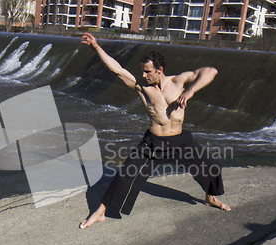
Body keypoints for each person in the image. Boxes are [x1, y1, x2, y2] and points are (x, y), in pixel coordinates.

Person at [79, 33, 230, 229]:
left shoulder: (179, 81)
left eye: (147, 71)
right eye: (142, 71)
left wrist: (190, 91)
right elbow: (116, 69)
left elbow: (211, 71)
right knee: (125, 175)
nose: (143, 75)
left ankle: (210, 198)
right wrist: (97, 47)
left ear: (160, 70)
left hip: (180, 141)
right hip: (153, 144)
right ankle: (100, 212)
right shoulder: (141, 87)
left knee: (211, 165)